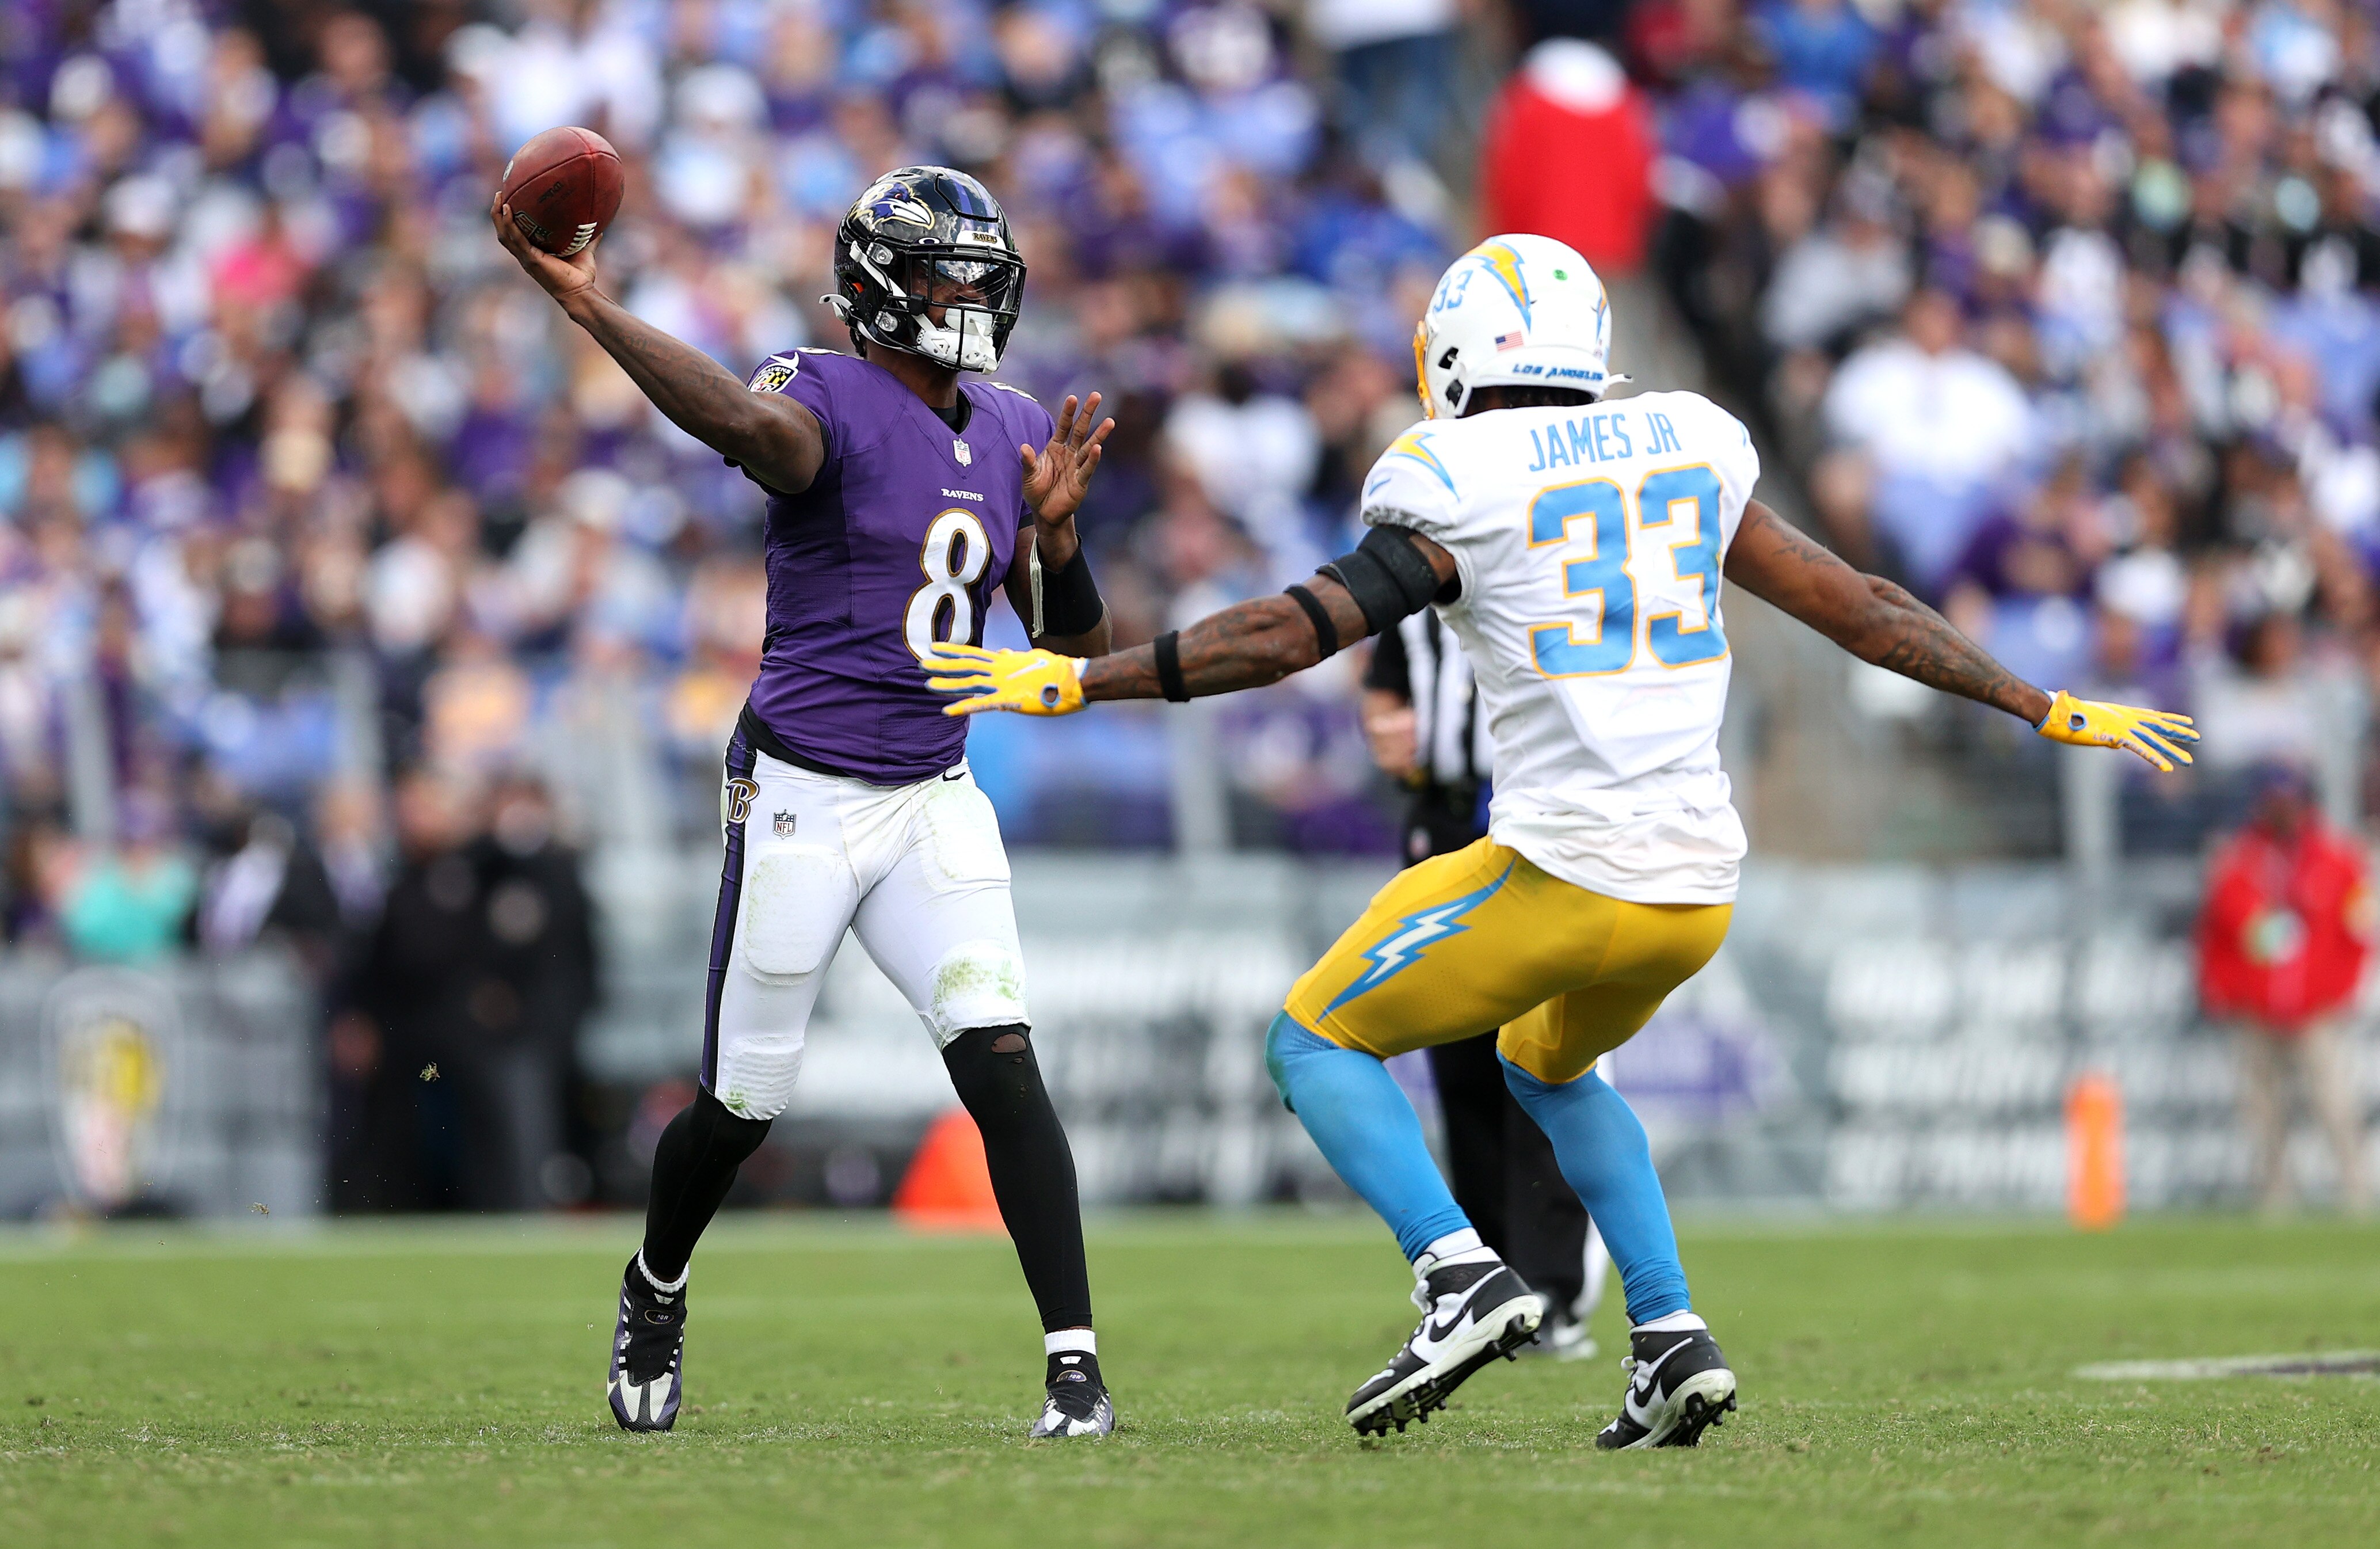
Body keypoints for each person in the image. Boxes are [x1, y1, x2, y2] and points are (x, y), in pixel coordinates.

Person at [928, 233, 2196, 1447]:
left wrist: (1086, 680)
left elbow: (1291, 632)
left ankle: (1457, 1274)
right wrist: (2042, 704)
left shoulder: (1457, 474)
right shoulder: (1686, 439)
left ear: (1459, 352)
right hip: (1696, 894)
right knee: (1545, 1065)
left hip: (1564, 871)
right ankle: (1671, 1335)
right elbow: (1861, 608)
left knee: (1311, 1040)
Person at [493, 165, 1121, 1438]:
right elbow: (741, 424)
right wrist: (590, 307)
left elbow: (1072, 655)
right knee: (742, 1102)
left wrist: (1057, 543)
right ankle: (656, 1283)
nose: (970, 295)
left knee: (1001, 1055)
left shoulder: (1012, 424)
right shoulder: (820, 389)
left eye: (979, 273)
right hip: (804, 792)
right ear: (882, 289)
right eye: (944, 274)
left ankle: (1076, 1365)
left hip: (934, 791)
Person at [1362, 612, 1608, 1359]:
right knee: (1459, 1060)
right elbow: (1383, 687)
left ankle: (1554, 1288)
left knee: (1540, 1060)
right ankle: (1490, 1282)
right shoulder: (1416, 602)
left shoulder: (1546, 582)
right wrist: (1387, 726)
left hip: (1540, 827)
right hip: (1443, 823)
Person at [2196, 762, 2372, 1213]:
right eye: (2274, 802)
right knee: (2262, 1108)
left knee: (2333, 1100)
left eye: (2289, 801)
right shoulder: (2238, 861)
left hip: (2316, 1007)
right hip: (2254, 1006)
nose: (2283, 810)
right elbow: (2216, 934)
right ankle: (2274, 1197)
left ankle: (2354, 1190)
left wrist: (2338, 990)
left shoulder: (2336, 859)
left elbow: (2360, 932)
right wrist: (2224, 991)